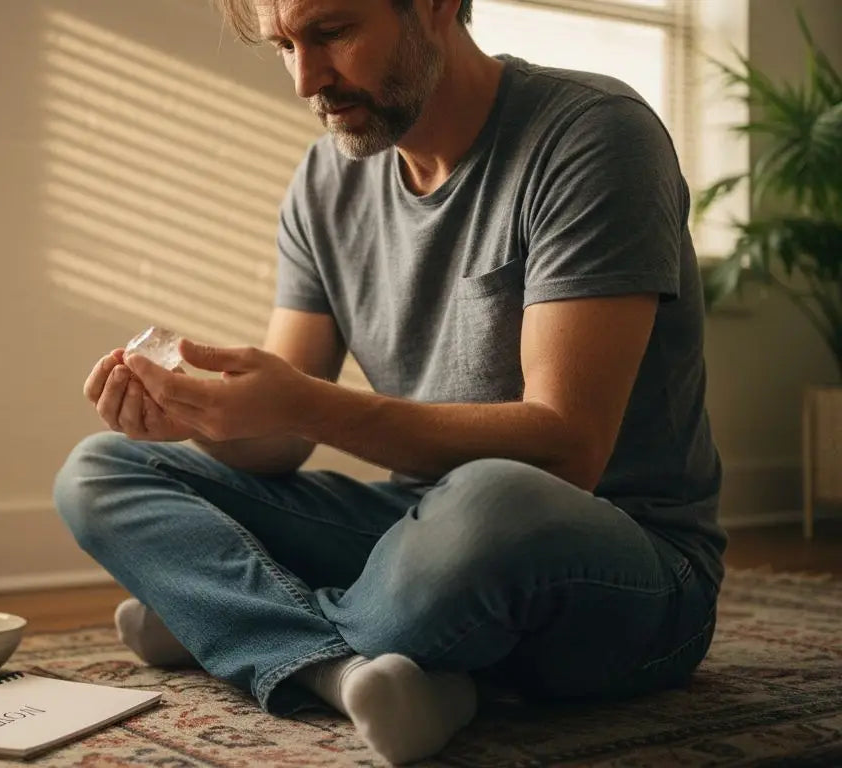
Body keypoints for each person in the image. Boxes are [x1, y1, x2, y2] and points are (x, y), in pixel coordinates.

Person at [53, 0, 724, 763]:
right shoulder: (325, 181)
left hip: (615, 555)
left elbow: (568, 450)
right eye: (284, 46)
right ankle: (340, 668)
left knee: (493, 498)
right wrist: (204, 416)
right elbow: (281, 443)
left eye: (332, 32)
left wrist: (303, 404)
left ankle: (224, 618)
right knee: (101, 470)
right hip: (421, 533)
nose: (306, 79)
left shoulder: (594, 134)